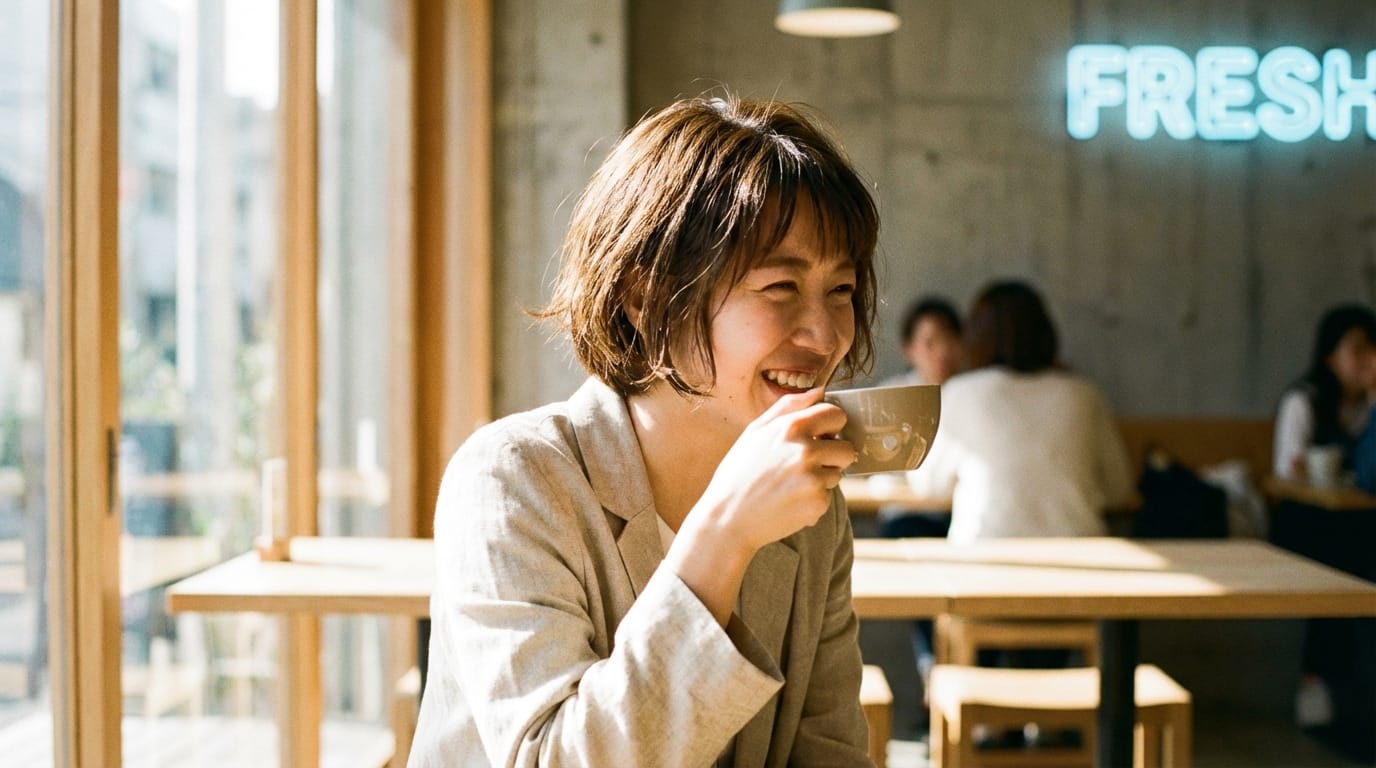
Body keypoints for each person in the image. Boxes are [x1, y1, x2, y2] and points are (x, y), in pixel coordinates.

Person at [408, 95, 881, 767]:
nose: (827, 334)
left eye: (841, 290)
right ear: (647, 295)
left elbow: (829, 754)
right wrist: (724, 535)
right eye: (781, 288)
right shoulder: (513, 479)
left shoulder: (811, 511)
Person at [906, 279, 1133, 542]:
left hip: (984, 557)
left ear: (976, 337)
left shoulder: (962, 392)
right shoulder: (1083, 394)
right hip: (1078, 552)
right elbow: (1119, 488)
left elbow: (929, 486)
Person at [1268, 303, 1376, 755]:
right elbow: (1285, 476)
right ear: (1329, 356)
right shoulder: (1304, 400)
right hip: (1306, 525)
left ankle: (1348, 704)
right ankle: (1332, 700)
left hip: (1355, 527)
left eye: (1371, 348)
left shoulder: (1368, 406)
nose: (1365, 359)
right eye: (1355, 349)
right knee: (1347, 568)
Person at [881, 295, 963, 387]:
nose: (942, 351)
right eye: (930, 342)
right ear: (908, 350)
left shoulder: (973, 387)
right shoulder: (893, 392)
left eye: (949, 339)